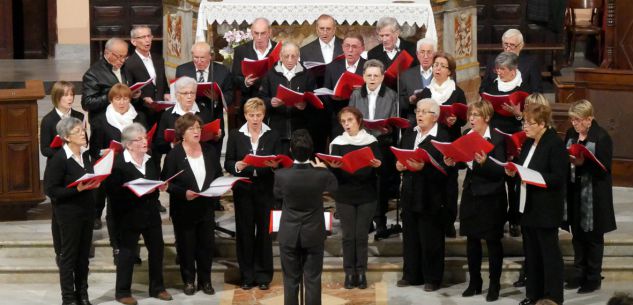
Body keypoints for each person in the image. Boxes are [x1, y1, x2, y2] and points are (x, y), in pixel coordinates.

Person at [444, 100, 507, 301]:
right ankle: (475, 282)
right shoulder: (465, 136)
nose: (471, 119)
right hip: (472, 194)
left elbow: (501, 172)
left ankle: (494, 284)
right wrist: (453, 161)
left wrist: (486, 163)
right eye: (470, 115)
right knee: (472, 240)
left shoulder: (497, 138)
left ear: (486, 117)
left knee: (492, 241)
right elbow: (464, 165)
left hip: (492, 196)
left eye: (475, 115)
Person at [505, 103, 567, 305]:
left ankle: (552, 297)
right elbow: (524, 169)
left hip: (546, 208)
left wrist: (533, 176)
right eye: (524, 122)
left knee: (549, 256)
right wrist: (514, 172)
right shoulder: (530, 143)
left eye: (530, 123)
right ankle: (533, 295)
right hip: (529, 207)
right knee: (532, 255)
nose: (525, 126)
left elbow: (558, 177)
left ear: (542, 124)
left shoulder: (554, 144)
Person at [106, 123, 171, 305]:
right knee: (127, 254)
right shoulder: (118, 165)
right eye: (139, 139)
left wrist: (155, 189)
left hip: (150, 214)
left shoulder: (150, 160)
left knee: (157, 250)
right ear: (128, 144)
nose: (145, 141)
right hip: (128, 216)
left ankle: (157, 287)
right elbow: (114, 194)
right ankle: (123, 292)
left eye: (145, 138)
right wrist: (136, 191)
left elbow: (155, 188)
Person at [274, 129, 338, 305]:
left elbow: (277, 194)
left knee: (290, 281)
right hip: (314, 233)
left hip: (289, 233)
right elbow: (334, 187)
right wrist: (323, 168)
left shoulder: (281, 175)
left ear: (291, 151)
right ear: (311, 151)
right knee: (313, 280)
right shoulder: (321, 174)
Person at [224, 98, 282, 290]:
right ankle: (247, 276)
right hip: (244, 189)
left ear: (264, 115)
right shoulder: (235, 134)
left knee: (265, 233)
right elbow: (228, 162)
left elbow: (279, 160)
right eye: (251, 115)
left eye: (258, 115)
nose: (255, 119)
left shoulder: (272, 135)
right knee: (245, 233)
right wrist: (237, 166)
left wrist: (275, 165)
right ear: (245, 115)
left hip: (265, 188)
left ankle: (264, 275)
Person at [161, 113, 222, 295]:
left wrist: (220, 187)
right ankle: (188, 281)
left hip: (206, 207)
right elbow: (166, 183)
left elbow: (217, 174)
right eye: (191, 128)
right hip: (184, 208)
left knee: (206, 246)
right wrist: (183, 193)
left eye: (198, 128)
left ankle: (206, 281)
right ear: (182, 133)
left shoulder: (209, 151)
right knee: (186, 246)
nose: (196, 131)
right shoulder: (174, 154)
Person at [324, 107, 382, 289]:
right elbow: (333, 173)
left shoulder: (371, 141)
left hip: (367, 194)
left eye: (350, 120)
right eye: (343, 121)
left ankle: (361, 272)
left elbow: (381, 170)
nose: (346, 124)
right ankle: (349, 273)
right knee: (348, 236)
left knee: (361, 235)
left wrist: (378, 165)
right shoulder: (337, 142)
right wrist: (332, 166)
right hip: (345, 194)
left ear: (359, 120)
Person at [395, 99, 449, 292]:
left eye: (425, 112)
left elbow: (446, 169)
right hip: (410, 191)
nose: (419, 115)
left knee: (430, 238)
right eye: (418, 111)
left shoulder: (442, 136)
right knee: (410, 237)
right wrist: (399, 165)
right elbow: (401, 156)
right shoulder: (410, 133)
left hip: (431, 194)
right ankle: (411, 275)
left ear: (435, 117)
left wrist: (423, 168)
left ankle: (432, 278)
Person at [89, 84, 147, 264]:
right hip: (112, 170)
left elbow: (146, 142)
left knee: (134, 210)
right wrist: (104, 152)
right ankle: (117, 247)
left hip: (134, 168)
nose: (122, 102)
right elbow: (94, 149)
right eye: (117, 99)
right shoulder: (100, 120)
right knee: (114, 210)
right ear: (111, 100)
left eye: (125, 98)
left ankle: (133, 248)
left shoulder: (139, 117)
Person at [43, 117, 98, 305]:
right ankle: (68, 299)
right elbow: (51, 190)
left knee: (83, 257)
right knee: (68, 257)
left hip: (86, 211)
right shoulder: (59, 159)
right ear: (66, 137)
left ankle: (83, 295)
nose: (83, 133)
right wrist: (77, 189)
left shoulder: (85, 155)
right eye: (77, 131)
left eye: (82, 129)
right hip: (68, 214)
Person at [564, 99, 616, 293]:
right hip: (575, 191)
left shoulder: (601, 137)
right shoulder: (571, 134)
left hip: (594, 195)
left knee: (593, 238)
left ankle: (593, 277)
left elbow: (605, 169)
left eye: (577, 120)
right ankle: (579, 273)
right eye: (572, 120)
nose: (574, 124)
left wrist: (582, 163)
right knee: (577, 235)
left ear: (589, 119)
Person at [413, 52, 467, 238]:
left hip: (450, 140)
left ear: (449, 71)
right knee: (431, 181)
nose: (437, 68)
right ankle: (433, 217)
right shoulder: (426, 92)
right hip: (429, 143)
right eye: (436, 64)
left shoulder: (457, 92)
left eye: (442, 65)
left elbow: (463, 119)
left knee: (449, 183)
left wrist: (455, 120)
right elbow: (418, 116)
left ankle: (449, 221)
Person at [349, 59, 399, 240]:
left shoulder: (391, 94)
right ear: (363, 76)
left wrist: (388, 128)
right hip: (360, 142)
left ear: (382, 77)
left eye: (376, 76)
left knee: (380, 184)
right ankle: (365, 221)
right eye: (369, 75)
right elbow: (350, 117)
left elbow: (394, 119)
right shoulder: (356, 94)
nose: (372, 79)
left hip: (381, 143)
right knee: (363, 182)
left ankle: (380, 221)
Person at [40, 81, 85, 264]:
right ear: (57, 98)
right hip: (59, 171)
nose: (70, 98)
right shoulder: (49, 120)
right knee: (59, 212)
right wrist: (65, 151)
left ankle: (83, 244)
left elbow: (85, 141)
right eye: (65, 95)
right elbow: (44, 149)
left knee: (81, 206)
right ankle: (61, 251)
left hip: (78, 167)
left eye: (72, 94)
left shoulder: (79, 116)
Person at [258, 42, 316, 155]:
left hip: (300, 130)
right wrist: (270, 102)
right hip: (277, 128)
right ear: (280, 56)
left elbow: (314, 99)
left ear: (298, 57)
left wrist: (305, 105)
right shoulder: (270, 75)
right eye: (286, 56)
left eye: (293, 56)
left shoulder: (307, 75)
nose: (290, 60)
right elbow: (261, 99)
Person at [176, 41, 233, 154]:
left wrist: (217, 98)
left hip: (213, 117)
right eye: (195, 57)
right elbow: (177, 92)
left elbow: (230, 94)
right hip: (190, 118)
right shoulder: (182, 70)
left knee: (212, 157)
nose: (199, 61)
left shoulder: (222, 71)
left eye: (202, 58)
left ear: (210, 56)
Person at [153, 77, 219, 156]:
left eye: (192, 93)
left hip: (201, 157)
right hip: (176, 159)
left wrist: (216, 137)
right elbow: (159, 144)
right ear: (177, 95)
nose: (189, 96)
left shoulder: (205, 112)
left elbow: (212, 142)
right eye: (185, 93)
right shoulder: (167, 115)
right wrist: (172, 145)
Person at [82, 38, 140, 126]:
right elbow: (87, 103)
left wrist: (134, 95)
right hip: (105, 121)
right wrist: (112, 96)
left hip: (126, 117)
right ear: (107, 52)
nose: (122, 60)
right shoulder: (93, 73)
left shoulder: (126, 68)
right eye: (119, 56)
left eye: (125, 56)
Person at [323, 31, 366, 139]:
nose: (350, 50)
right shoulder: (331, 67)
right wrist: (333, 99)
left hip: (364, 121)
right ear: (342, 47)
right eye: (347, 46)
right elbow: (325, 97)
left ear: (362, 49)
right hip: (339, 122)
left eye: (354, 47)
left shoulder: (369, 66)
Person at [232, 17, 278, 119]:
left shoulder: (278, 49)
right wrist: (245, 82)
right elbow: (235, 77)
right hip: (249, 102)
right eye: (256, 33)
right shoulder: (241, 51)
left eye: (263, 33)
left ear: (269, 32)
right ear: (252, 32)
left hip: (273, 103)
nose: (259, 37)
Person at [125, 25, 170, 127]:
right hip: (142, 112)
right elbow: (129, 89)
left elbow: (163, 82)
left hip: (160, 110)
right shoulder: (129, 64)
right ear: (133, 42)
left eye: (149, 36)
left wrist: (167, 93)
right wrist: (142, 98)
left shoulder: (158, 59)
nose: (147, 40)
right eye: (143, 37)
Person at [481, 29, 542, 94]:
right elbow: (484, 88)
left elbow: (537, 91)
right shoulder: (492, 60)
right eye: (506, 44)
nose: (508, 48)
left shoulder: (531, 62)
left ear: (521, 46)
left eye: (512, 45)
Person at [399, 38, 437, 123]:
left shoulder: (441, 73)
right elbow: (400, 101)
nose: (425, 56)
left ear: (434, 54)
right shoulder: (406, 75)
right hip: (414, 122)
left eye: (429, 52)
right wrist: (410, 100)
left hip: (437, 120)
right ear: (417, 54)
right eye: (422, 52)